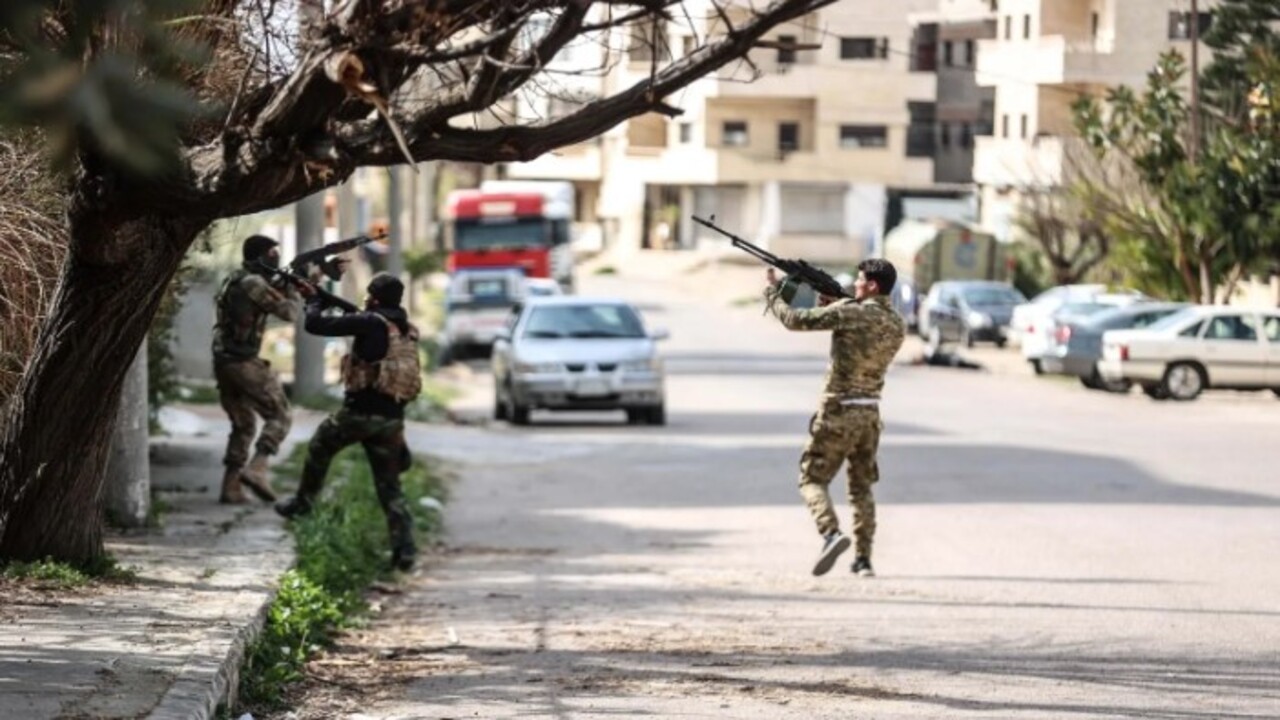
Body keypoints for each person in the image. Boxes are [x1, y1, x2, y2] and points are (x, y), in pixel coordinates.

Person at [763, 259, 906, 577]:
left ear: (871, 286)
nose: (854, 285)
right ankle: (863, 559)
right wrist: (837, 303)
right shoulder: (897, 323)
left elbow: (795, 319)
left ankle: (830, 533)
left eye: (859, 281)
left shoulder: (850, 312)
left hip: (838, 410)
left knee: (812, 479)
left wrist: (773, 292)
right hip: (869, 412)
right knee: (861, 487)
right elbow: (861, 332)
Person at [274, 273, 423, 571]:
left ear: (375, 299)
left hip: (359, 414)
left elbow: (315, 324)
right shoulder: (405, 328)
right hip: (392, 419)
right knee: (390, 488)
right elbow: (359, 318)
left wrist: (314, 301)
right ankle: (404, 551)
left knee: (319, 445)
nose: (365, 300)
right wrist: (325, 297)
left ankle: (302, 504)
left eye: (368, 295)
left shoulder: (370, 322)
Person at [212, 235, 301, 505]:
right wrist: (295, 288)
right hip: (242, 362)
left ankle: (231, 488)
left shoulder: (237, 278)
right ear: (259, 256)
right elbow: (289, 313)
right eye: (271, 253)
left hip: (224, 360)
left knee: (244, 424)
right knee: (281, 415)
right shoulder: (254, 283)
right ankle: (257, 469)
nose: (276, 257)